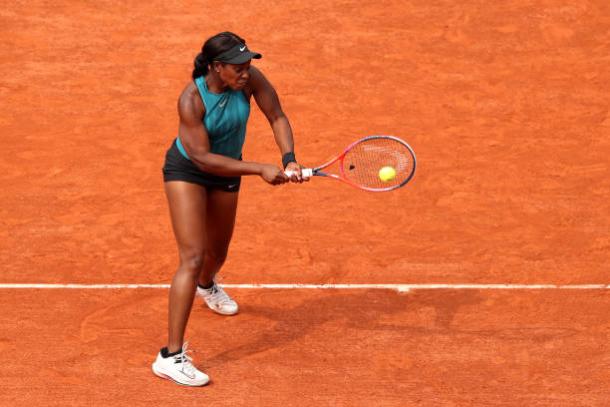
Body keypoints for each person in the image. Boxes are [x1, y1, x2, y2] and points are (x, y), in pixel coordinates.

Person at [152, 32, 305, 386]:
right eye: (238, 67)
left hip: (228, 170)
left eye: (248, 65)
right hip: (188, 170)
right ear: (216, 67)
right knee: (192, 255)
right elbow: (203, 159)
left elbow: (277, 116)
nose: (245, 72)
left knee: (217, 254)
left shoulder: (251, 81)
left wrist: (289, 159)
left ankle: (208, 284)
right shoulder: (191, 99)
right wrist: (260, 169)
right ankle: (170, 356)